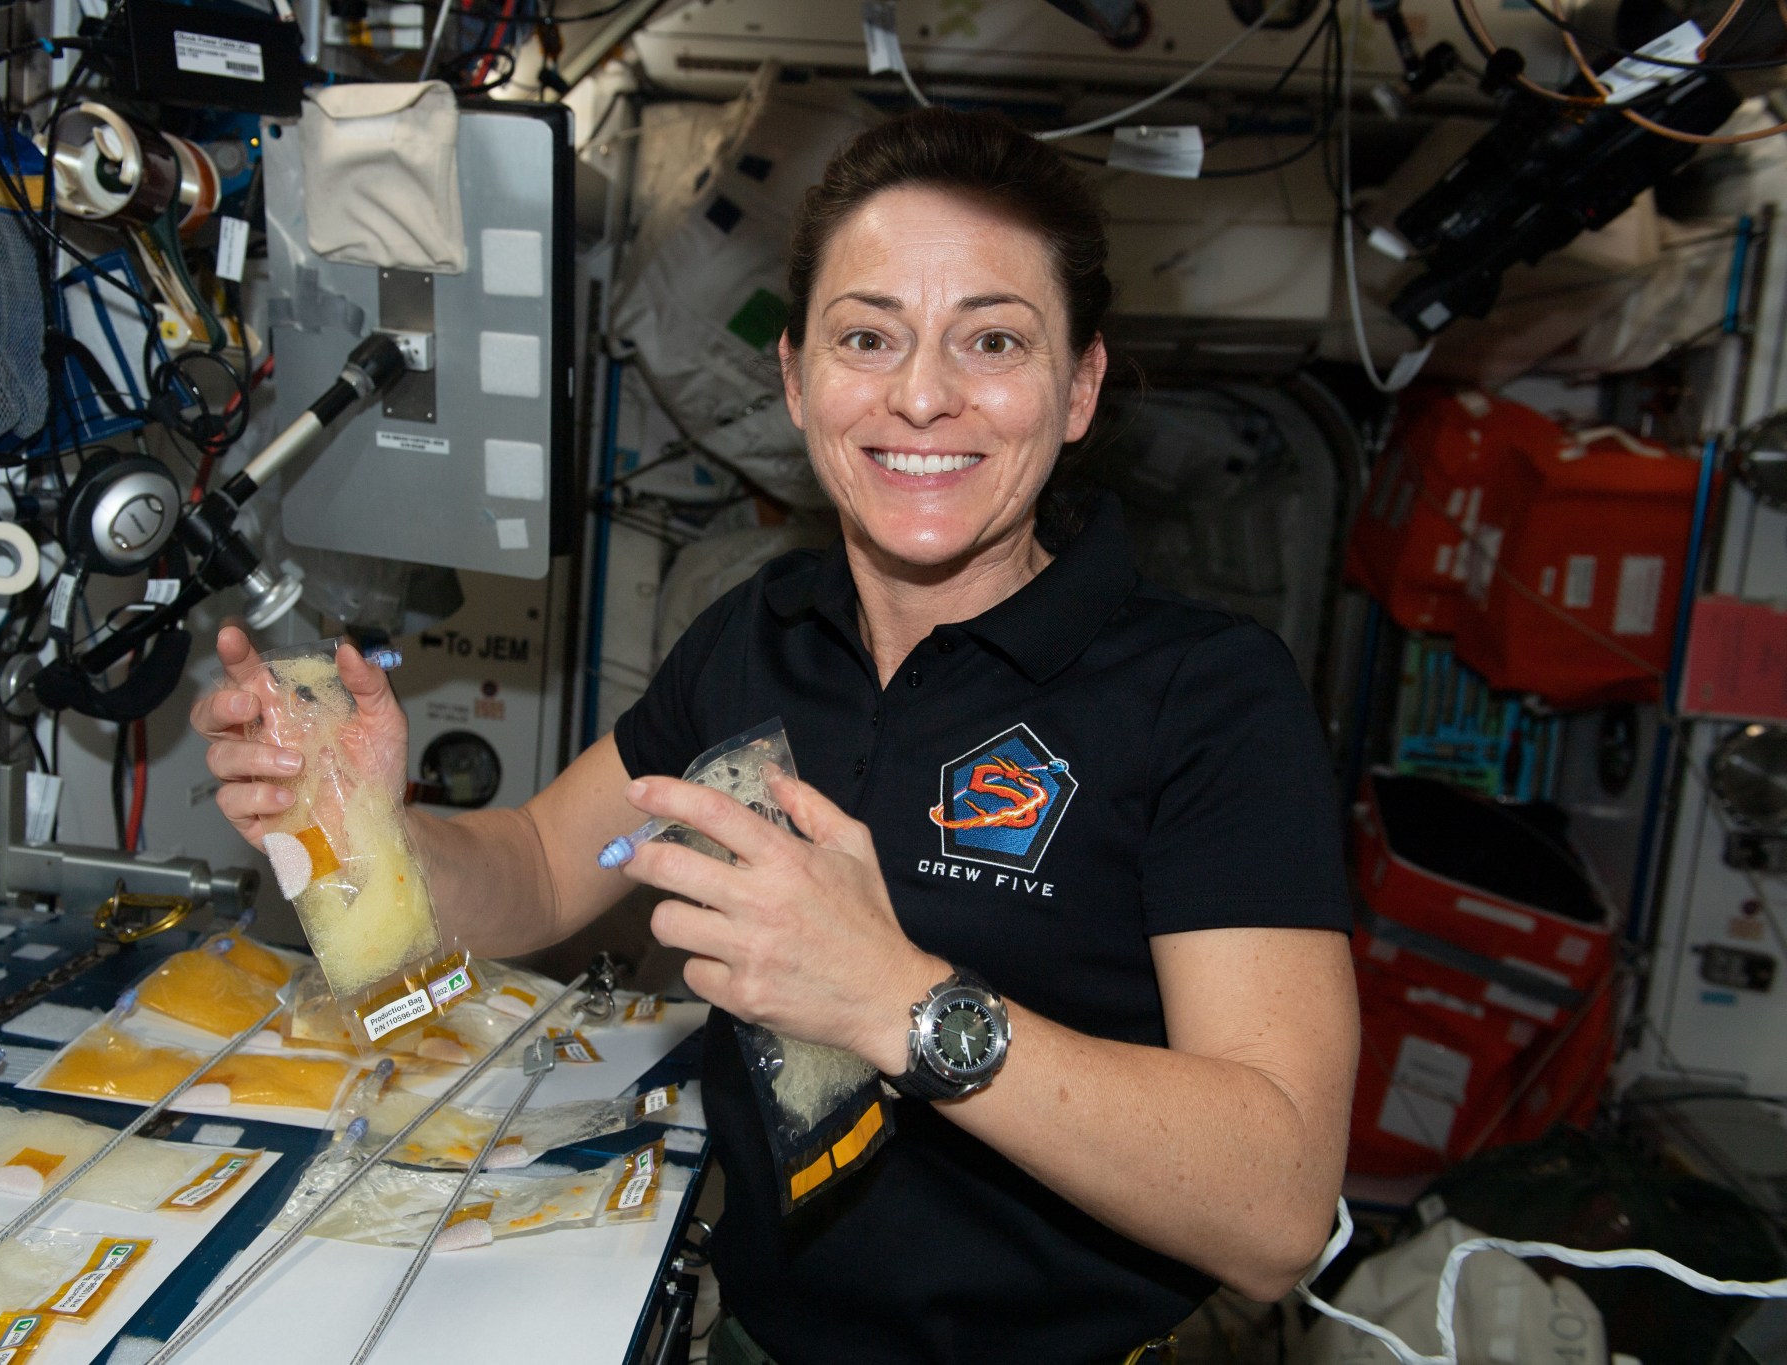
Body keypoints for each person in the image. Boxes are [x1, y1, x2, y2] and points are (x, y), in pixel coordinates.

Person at [194, 106, 1358, 1364]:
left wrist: (891, 1000)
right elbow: (539, 871)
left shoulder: (1204, 694)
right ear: (798, 378)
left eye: (993, 340)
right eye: (870, 337)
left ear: (1076, 389)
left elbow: (1276, 1204)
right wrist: (370, 821)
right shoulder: (759, 633)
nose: (921, 395)